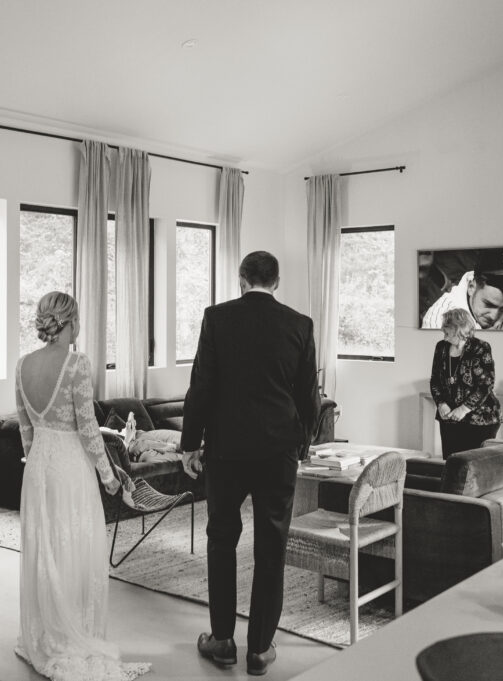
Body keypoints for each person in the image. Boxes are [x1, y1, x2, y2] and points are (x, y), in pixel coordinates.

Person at [180, 251, 320, 677]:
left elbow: (201, 384)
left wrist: (189, 443)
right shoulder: (299, 324)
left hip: (225, 449)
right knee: (271, 546)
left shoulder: (217, 318)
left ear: (241, 279)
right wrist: (305, 441)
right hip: (278, 450)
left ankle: (222, 640)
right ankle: (260, 648)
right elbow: (308, 393)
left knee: (221, 539)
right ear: (276, 282)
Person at [13, 291, 148, 681]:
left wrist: (37, 461)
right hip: (70, 468)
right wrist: (109, 477)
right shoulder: (76, 364)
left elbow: (25, 431)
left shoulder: (22, 365)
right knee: (75, 547)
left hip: (38, 468)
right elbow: (89, 431)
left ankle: (45, 631)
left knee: (47, 549)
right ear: (69, 322)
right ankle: (73, 631)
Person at [429, 308, 502, 458]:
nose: (445, 337)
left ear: (459, 330)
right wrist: (441, 403)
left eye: (447, 333)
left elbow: (486, 384)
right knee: (452, 466)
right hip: (449, 418)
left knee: (475, 467)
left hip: (480, 419)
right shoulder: (441, 347)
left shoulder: (480, 347)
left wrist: (464, 409)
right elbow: (435, 380)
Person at [421, 248, 503, 330]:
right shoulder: (440, 322)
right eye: (489, 304)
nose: (494, 316)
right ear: (471, 287)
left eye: (502, 309)